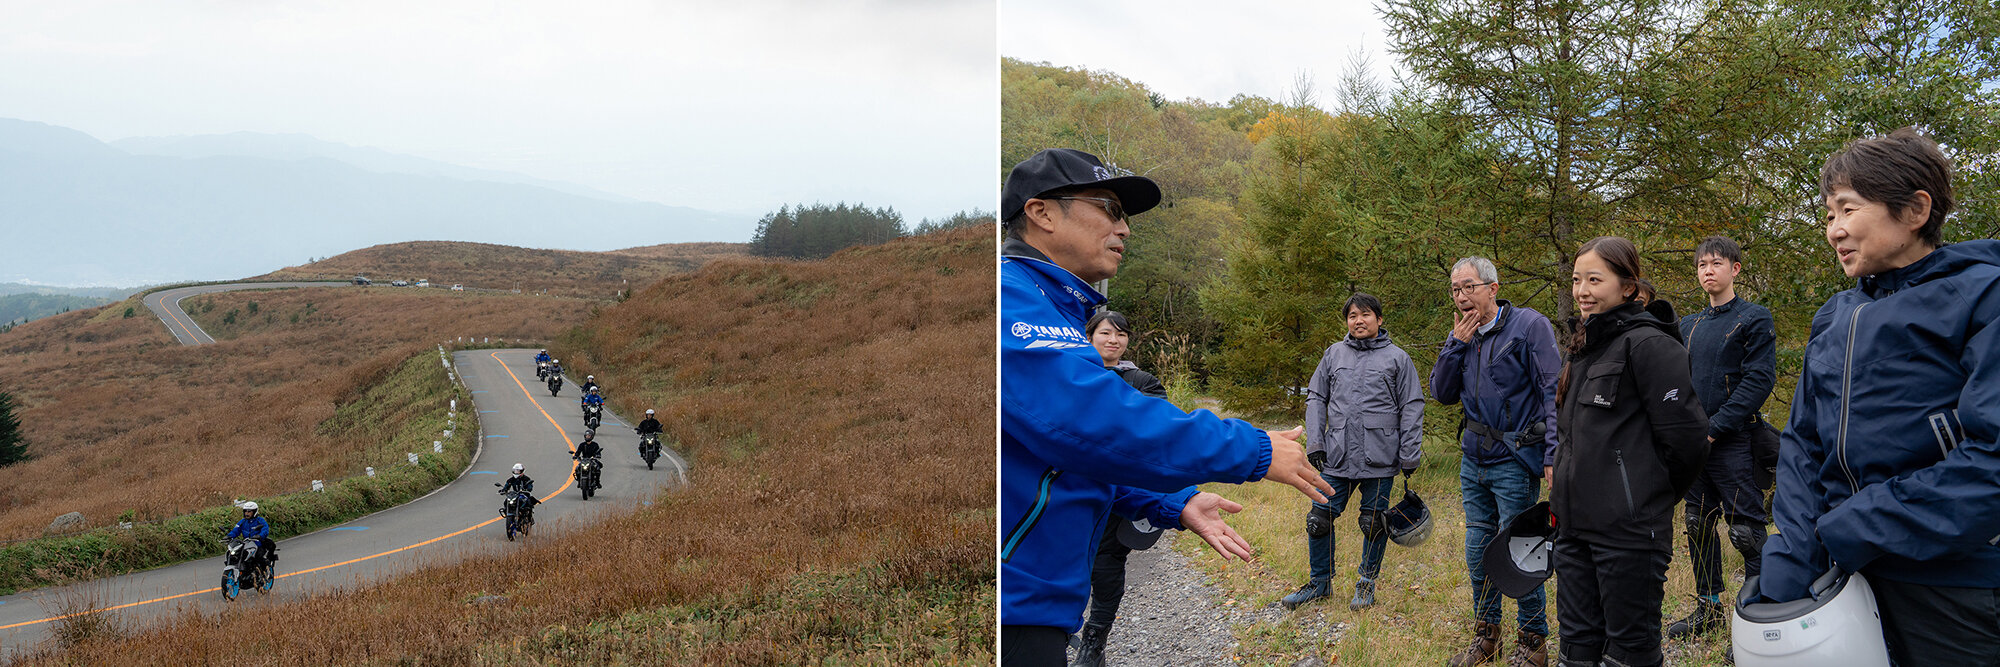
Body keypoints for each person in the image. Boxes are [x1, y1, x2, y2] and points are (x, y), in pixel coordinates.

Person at [1000, 148, 1334, 666]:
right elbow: (1090, 423)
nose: (1125, 229)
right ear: (1042, 213)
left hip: (1034, 606)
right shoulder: (1010, 298)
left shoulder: (1054, 306)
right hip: (1012, 611)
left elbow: (1069, 457)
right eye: (1108, 208)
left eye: (1125, 216)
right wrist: (1252, 448)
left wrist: (1173, 501)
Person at [1758, 127, 2000, 665]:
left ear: (1915, 210)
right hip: (1847, 579)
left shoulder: (1984, 295)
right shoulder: (1834, 317)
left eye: (1848, 210)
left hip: (1955, 584)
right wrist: (1791, 558)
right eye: (1827, 216)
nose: (1834, 230)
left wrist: (1856, 525)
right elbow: (1802, 445)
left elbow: (1994, 458)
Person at [1548, 236, 1709, 667]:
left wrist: (1643, 495)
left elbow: (1688, 441)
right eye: (1578, 279)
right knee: (1576, 649)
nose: (1582, 290)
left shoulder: (1650, 346)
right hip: (1573, 529)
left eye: (1595, 279)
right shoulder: (1583, 349)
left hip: (1628, 534)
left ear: (1628, 286)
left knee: (1629, 654)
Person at [1429, 256, 1563, 667]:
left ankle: (1533, 642)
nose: (1462, 296)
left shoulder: (1528, 326)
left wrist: (1553, 452)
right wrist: (1455, 345)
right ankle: (1487, 638)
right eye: (1455, 290)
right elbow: (1441, 393)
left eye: (1469, 287)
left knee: (1522, 552)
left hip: (1515, 459)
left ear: (1492, 287)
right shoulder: (1462, 336)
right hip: (1474, 459)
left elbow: (1552, 390)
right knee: (1476, 550)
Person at [1280, 293, 1424, 612]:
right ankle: (1320, 584)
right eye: (1352, 316)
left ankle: (1366, 584)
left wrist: (1409, 453)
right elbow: (1316, 398)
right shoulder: (1333, 354)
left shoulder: (1398, 358)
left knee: (1373, 523)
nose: (1358, 321)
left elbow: (1412, 405)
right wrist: (1315, 443)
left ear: (1379, 320)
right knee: (1319, 517)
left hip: (1381, 456)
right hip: (1337, 455)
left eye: (1366, 315)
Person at [1667, 235, 1778, 639]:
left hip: (1734, 443)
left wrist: (1715, 429)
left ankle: (1758, 619)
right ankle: (1709, 609)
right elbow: (1678, 383)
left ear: (1735, 268)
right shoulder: (1689, 326)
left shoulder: (1754, 318)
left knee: (1746, 532)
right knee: (1697, 526)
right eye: (1701, 265)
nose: (1708, 271)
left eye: (1716, 263)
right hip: (1695, 447)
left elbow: (1759, 381)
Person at [1069, 310, 1167, 667]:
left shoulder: (1143, 381)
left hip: (1122, 491)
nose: (1114, 340)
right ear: (1090, 336)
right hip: (1073, 487)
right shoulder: (1071, 372)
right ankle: (1058, 628)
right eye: (1106, 333)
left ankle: (1094, 643)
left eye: (1121, 335)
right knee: (1068, 561)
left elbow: (1154, 429)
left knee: (1107, 565)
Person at [224, 501, 276, 568]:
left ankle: (265, 570)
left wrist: (260, 536)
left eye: (249, 512)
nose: (247, 513)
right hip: (246, 544)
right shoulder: (242, 522)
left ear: (254, 512)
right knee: (232, 554)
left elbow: (265, 530)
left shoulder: (260, 520)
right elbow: (235, 531)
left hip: (258, 544)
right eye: (245, 511)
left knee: (259, 557)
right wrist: (229, 536)